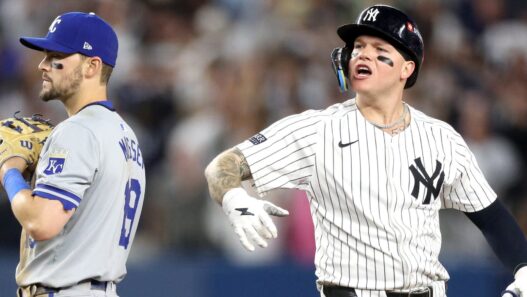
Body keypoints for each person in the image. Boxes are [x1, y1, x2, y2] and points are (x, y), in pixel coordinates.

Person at [204, 4, 527, 297]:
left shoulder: (442, 138)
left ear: (406, 69)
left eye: (379, 48)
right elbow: (223, 165)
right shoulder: (317, 130)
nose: (362, 55)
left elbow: (491, 216)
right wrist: (234, 198)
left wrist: (523, 268)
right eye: (358, 47)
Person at [0, 12, 146, 297]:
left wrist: (9, 170)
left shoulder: (78, 131)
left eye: (57, 57)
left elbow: (41, 222)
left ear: (92, 66)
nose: (43, 65)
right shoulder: (125, 134)